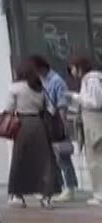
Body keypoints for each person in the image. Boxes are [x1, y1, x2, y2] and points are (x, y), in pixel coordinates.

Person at [5, 58, 59, 209]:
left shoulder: (15, 87)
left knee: (20, 159)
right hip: (39, 124)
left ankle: (17, 195)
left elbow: (9, 108)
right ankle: (46, 196)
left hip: (22, 125)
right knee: (44, 161)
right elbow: (49, 108)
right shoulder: (39, 87)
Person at [35, 55, 80, 202]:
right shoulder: (43, 80)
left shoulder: (56, 81)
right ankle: (58, 186)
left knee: (63, 156)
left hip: (57, 123)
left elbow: (62, 104)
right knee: (53, 157)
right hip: (48, 122)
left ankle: (70, 187)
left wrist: (63, 124)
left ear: (41, 68)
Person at [78, 56, 102, 203]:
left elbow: (95, 102)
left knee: (95, 160)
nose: (72, 72)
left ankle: (99, 194)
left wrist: (77, 98)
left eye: (73, 68)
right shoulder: (95, 78)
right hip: (94, 122)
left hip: (94, 123)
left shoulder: (91, 80)